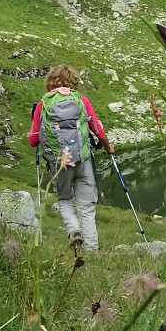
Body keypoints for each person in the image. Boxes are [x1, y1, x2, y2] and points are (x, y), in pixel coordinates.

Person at [28, 65, 113, 252]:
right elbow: (97, 129)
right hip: (83, 161)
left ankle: (74, 230)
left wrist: (36, 121)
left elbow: (33, 140)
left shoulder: (43, 104)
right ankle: (92, 250)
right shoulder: (81, 100)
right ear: (74, 81)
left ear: (50, 82)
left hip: (59, 165)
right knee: (87, 206)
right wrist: (108, 147)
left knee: (65, 199)